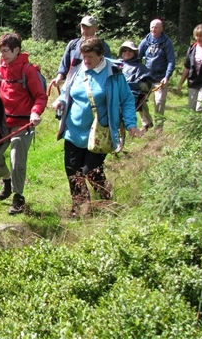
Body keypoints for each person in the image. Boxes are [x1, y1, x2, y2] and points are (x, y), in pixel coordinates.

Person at [52, 37, 141, 217]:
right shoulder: (77, 69)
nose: (86, 60)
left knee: (91, 171)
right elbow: (67, 91)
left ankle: (105, 201)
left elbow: (127, 100)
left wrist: (131, 124)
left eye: (90, 57)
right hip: (73, 131)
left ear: (101, 55)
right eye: (84, 56)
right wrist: (60, 101)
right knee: (73, 172)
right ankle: (79, 207)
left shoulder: (113, 73)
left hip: (100, 133)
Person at [0, 33, 48, 215]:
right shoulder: (0, 70)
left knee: (16, 159)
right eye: (0, 51)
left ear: (16, 50)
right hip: (3, 123)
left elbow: (40, 96)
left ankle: (18, 197)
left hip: (23, 124)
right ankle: (6, 180)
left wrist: (36, 112)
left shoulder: (29, 71)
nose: (2, 55)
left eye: (5, 51)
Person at [50, 15, 112, 89]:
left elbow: (107, 69)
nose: (84, 30)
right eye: (83, 27)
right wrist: (59, 77)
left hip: (95, 85)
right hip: (72, 84)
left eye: (88, 28)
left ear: (96, 28)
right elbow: (64, 65)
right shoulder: (73, 45)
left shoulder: (103, 46)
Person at [138, 19, 176, 131]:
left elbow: (171, 61)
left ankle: (158, 129)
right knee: (139, 99)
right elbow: (137, 57)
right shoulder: (145, 41)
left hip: (161, 79)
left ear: (161, 29)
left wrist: (167, 76)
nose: (154, 29)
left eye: (156, 27)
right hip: (147, 78)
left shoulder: (166, 42)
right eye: (152, 27)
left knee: (159, 102)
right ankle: (146, 122)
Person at [117, 40, 154, 131]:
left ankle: (137, 125)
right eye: (125, 50)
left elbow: (147, 84)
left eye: (130, 50)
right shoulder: (116, 64)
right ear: (121, 52)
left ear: (134, 52)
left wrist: (134, 85)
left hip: (132, 94)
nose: (127, 52)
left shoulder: (140, 67)